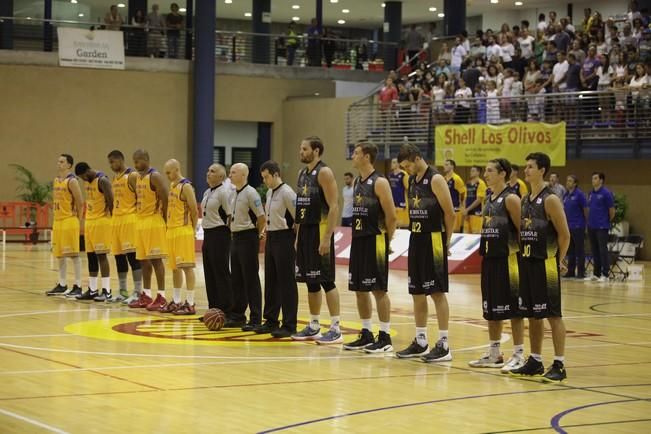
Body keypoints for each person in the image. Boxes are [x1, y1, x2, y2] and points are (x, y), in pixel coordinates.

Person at [510, 152, 570, 383]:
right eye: (525, 166)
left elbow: (565, 235)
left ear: (542, 170)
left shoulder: (550, 199)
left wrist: (559, 260)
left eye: (530, 167)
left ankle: (559, 364)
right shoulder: (525, 199)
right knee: (533, 316)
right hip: (527, 263)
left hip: (546, 264)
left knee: (552, 315)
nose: (526, 171)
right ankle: (535, 360)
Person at [395, 144, 455, 362]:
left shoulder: (436, 179)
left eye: (408, 165)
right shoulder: (411, 180)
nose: (407, 169)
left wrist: (446, 241)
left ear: (418, 157)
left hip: (433, 239)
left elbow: (450, 214)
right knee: (417, 292)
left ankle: (444, 344)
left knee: (437, 292)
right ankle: (421, 341)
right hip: (416, 238)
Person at [468, 158, 526, 373]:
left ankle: (519, 354)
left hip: (509, 259)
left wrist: (523, 259)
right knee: (491, 309)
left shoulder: (511, 198)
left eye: (490, 170)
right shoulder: (489, 198)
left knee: (514, 308)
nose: (485, 174)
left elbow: (523, 230)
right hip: (490, 258)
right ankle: (494, 353)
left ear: (503, 174)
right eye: (485, 170)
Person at [343, 142, 397, 353]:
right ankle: (366, 333)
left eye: (356, 153)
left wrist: (387, 241)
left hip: (375, 240)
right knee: (358, 288)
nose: (353, 156)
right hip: (358, 239)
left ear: (366, 157)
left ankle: (384, 336)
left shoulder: (380, 182)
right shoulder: (357, 181)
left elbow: (392, 216)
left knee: (378, 289)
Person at [292, 136, 343, 345]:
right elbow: (301, 208)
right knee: (310, 281)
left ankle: (336, 327)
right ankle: (314, 325)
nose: (301, 152)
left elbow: (334, 206)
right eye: (301, 148)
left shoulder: (324, 172)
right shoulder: (302, 173)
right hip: (305, 232)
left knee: (326, 280)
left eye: (304, 149)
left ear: (316, 150)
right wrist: (298, 236)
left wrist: (327, 237)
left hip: (320, 231)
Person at [256, 161, 298, 338]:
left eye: (266, 177)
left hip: (285, 238)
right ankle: (271, 320)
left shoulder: (287, 193)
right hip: (272, 237)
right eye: (263, 178)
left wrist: (295, 242)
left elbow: (298, 219)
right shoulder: (271, 192)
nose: (265, 181)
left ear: (275, 174)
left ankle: (289, 324)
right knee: (271, 280)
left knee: (286, 282)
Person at [128, 150, 169, 310]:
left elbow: (165, 198)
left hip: (153, 221)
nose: (135, 164)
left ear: (146, 159)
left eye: (137, 161)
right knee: (143, 261)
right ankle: (146, 294)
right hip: (141, 222)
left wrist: (165, 220)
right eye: (134, 161)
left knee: (156, 260)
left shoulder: (155, 176)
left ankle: (162, 296)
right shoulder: (137, 177)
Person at [228, 163, 266, 330]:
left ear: (244, 174)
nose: (230, 175)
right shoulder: (233, 193)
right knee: (236, 279)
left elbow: (261, 217)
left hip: (248, 237)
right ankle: (238, 315)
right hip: (235, 238)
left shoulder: (251, 193)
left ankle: (256, 318)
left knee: (250, 279)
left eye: (233, 172)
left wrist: (257, 236)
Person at [161, 159, 198, 314]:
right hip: (171, 230)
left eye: (169, 172)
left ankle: (190, 302)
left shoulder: (186, 186)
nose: (167, 175)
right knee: (175, 269)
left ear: (177, 169)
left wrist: (193, 230)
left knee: (187, 267)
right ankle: (176, 301)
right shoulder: (172, 186)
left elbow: (194, 210)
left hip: (183, 230)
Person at [74, 163, 113, 302]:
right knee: (90, 256)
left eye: (84, 176)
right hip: (89, 221)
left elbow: (111, 200)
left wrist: (112, 220)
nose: (84, 179)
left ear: (88, 170)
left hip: (101, 221)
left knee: (102, 256)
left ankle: (107, 290)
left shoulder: (102, 180)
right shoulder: (87, 182)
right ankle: (92, 289)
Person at [107, 150, 143, 304]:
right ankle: (122, 291)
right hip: (117, 220)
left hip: (130, 219)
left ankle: (138, 291)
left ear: (120, 160)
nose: (111, 165)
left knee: (133, 257)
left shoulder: (132, 176)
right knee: (119, 257)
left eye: (113, 162)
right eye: (110, 163)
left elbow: (141, 196)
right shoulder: (115, 178)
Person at [46, 154, 83, 297]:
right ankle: (62, 284)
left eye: (62, 162)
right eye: (58, 161)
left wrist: (78, 220)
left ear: (69, 165)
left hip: (69, 220)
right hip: (58, 221)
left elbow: (80, 202)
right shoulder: (56, 180)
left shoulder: (72, 181)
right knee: (59, 255)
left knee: (73, 254)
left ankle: (78, 285)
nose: (59, 164)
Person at [200, 164, 233, 317]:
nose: (208, 173)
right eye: (208, 170)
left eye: (212, 171)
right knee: (210, 273)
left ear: (221, 176)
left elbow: (230, 215)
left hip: (220, 235)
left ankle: (226, 310)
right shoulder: (207, 192)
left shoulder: (224, 193)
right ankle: (213, 310)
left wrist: (228, 234)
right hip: (207, 235)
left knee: (221, 272)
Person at [586, 172, 615, 283]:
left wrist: (605, 221)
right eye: (592, 178)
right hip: (591, 226)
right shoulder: (591, 193)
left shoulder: (606, 193)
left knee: (603, 250)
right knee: (594, 250)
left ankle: (605, 274)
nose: (593, 180)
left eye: (595, 178)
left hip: (602, 226)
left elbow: (612, 211)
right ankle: (596, 274)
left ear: (601, 180)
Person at [563, 175, 588, 279]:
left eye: (570, 181)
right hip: (568, 226)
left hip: (578, 226)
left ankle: (581, 272)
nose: (567, 182)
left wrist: (586, 223)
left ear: (575, 183)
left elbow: (586, 210)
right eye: (567, 180)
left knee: (579, 250)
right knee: (570, 251)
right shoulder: (566, 195)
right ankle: (571, 271)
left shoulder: (580, 194)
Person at [442, 159, 466, 232]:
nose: (444, 166)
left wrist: (462, 206)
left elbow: (463, 194)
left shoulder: (457, 179)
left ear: (452, 166)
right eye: (444, 164)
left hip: (455, 210)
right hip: (445, 211)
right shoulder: (443, 179)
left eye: (446, 165)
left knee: (455, 232)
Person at [463, 166, 487, 234]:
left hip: (477, 214)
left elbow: (479, 199)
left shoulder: (481, 183)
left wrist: (467, 210)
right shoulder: (468, 183)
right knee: (466, 236)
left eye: (473, 171)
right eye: (471, 171)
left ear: (478, 172)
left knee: (476, 235)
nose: (471, 172)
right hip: (467, 215)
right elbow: (465, 198)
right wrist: (465, 211)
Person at [388, 158, 409, 228]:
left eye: (394, 162)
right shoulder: (390, 175)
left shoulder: (403, 174)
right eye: (392, 162)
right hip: (393, 202)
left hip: (402, 201)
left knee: (402, 224)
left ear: (398, 164)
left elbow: (408, 188)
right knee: (394, 223)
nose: (392, 164)